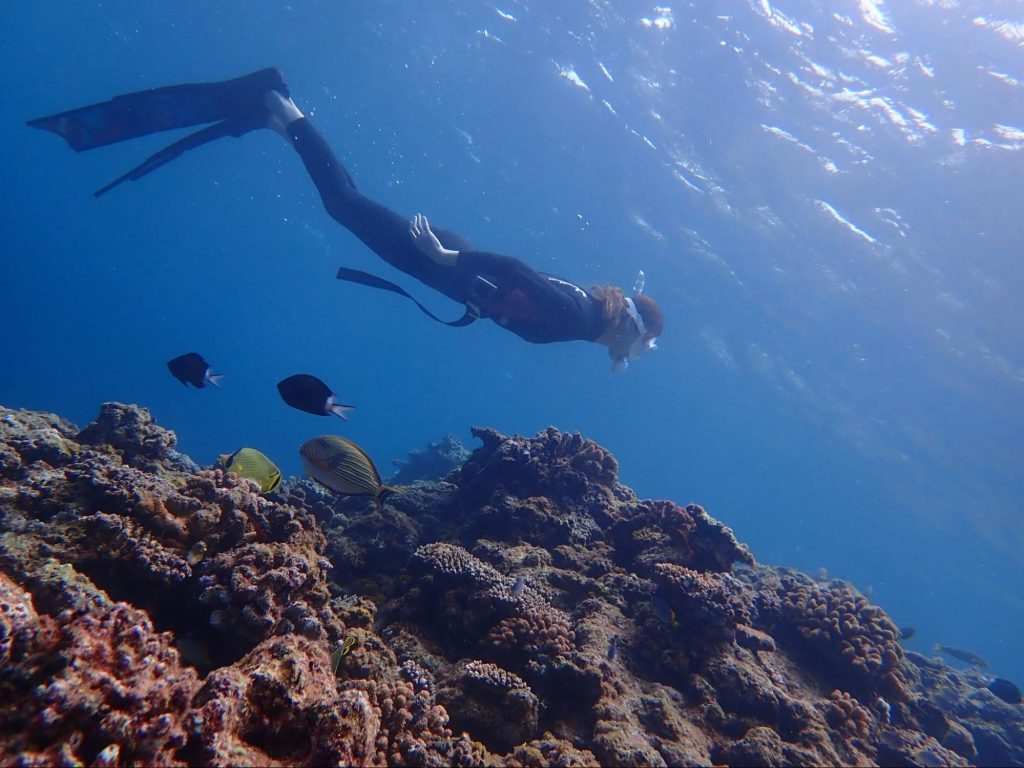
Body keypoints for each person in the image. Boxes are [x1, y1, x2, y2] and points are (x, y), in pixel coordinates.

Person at [28, 68, 663, 372]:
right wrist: (449, 263)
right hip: (447, 264)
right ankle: (282, 107)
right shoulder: (582, 317)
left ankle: (283, 120)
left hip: (451, 272)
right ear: (625, 329)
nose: (625, 356)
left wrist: (459, 277)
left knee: (346, 206)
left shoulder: (586, 322)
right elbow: (518, 270)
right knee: (345, 204)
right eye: (634, 346)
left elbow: (520, 289)